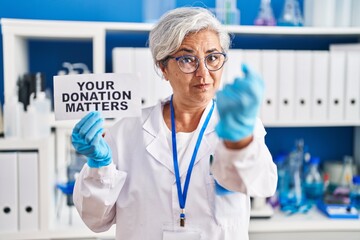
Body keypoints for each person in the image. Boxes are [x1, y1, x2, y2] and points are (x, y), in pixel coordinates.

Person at [72, 6, 277, 240]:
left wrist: (238, 143)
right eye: (188, 59)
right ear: (163, 67)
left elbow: (263, 185)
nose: (204, 73)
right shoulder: (126, 132)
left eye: (212, 58)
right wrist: (100, 166)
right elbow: (95, 220)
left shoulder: (239, 128)